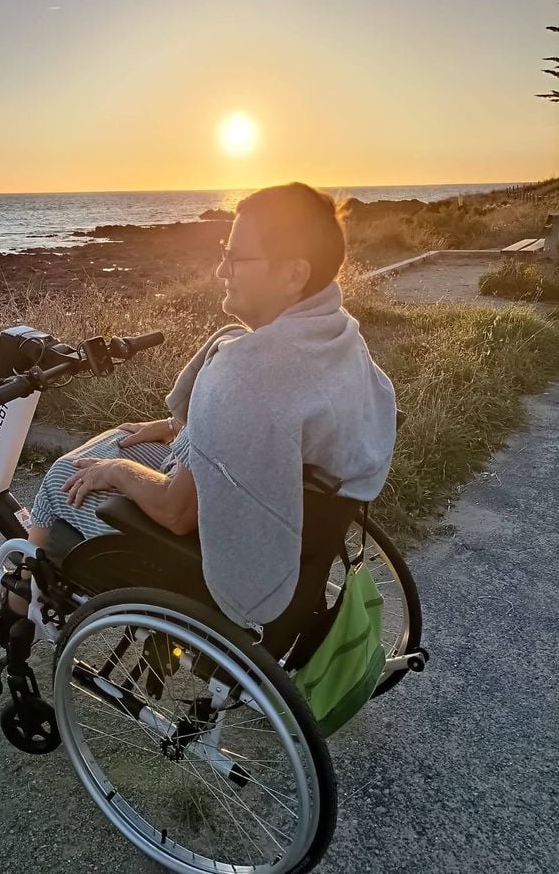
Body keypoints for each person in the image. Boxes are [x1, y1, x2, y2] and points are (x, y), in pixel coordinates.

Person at [25, 182, 397, 630]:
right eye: (224, 250)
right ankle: (164, 440)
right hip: (295, 535)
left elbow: (176, 512)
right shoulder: (338, 337)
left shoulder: (244, 377)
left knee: (63, 475)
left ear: (294, 274)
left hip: (209, 560)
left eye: (235, 258)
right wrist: (179, 426)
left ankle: (22, 607)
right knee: (125, 436)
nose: (222, 270)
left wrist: (115, 473)